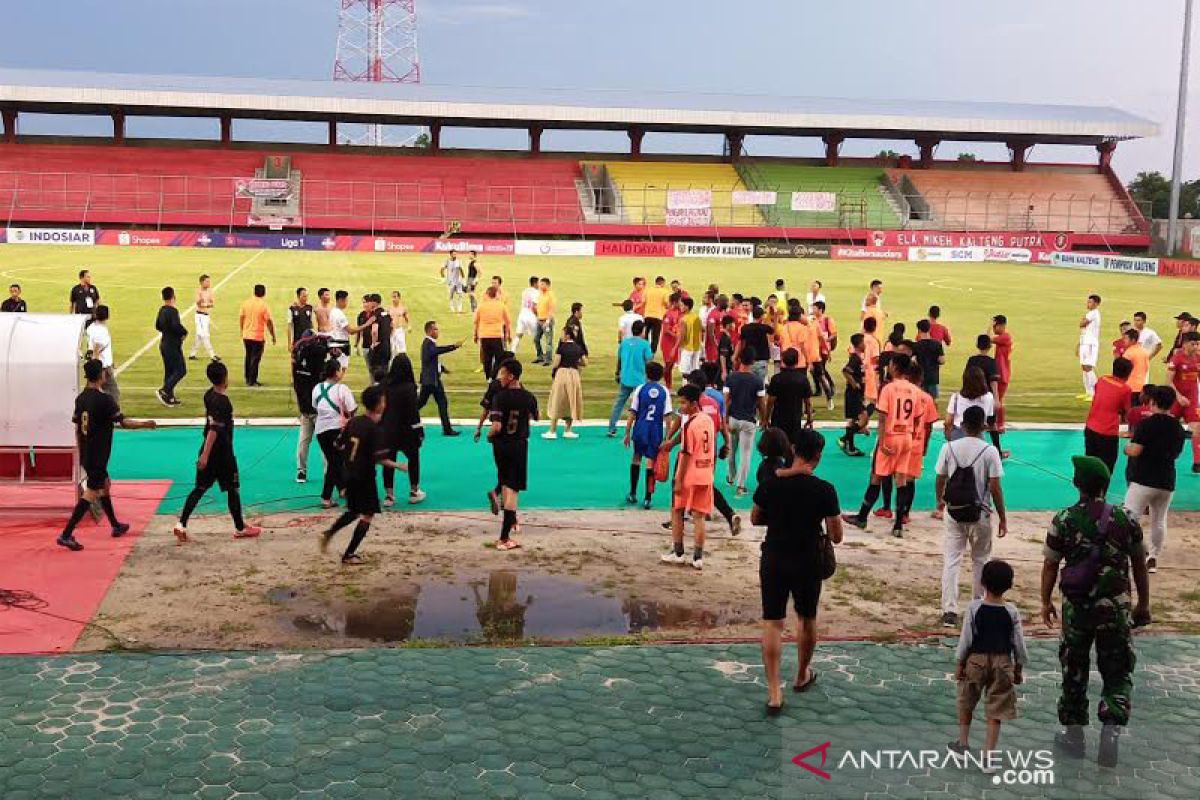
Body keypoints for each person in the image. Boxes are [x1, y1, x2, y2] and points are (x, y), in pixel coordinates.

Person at [1042, 455, 1151, 768]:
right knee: (1117, 672)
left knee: (1073, 671)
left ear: (1078, 484)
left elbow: (1050, 563)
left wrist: (1045, 600)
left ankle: (1074, 737)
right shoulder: (1126, 519)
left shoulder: (1063, 519)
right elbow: (1139, 565)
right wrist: (1143, 603)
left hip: (1077, 610)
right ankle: (1112, 728)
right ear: (1105, 485)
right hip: (1115, 611)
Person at [752, 428, 842, 714]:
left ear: (793, 449)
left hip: (775, 556)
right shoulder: (825, 489)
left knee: (773, 621)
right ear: (818, 456)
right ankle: (802, 673)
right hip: (808, 558)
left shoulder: (770, 484)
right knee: (806, 617)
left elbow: (755, 518)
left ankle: (774, 692)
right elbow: (836, 535)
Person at [56, 360, 156, 551]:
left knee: (105, 485)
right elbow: (123, 422)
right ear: (100, 376)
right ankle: (66, 534)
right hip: (98, 453)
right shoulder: (105, 400)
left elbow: (77, 427)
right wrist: (146, 424)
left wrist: (82, 451)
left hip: (88, 452)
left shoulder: (81, 398)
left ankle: (115, 525)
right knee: (92, 492)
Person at [171, 361, 262, 543]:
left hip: (208, 449)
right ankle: (240, 528)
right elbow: (214, 429)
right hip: (222, 453)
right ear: (225, 377)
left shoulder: (208, 395)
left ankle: (181, 524)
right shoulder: (224, 402)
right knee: (232, 489)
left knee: (200, 488)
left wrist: (204, 453)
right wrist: (205, 455)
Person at [949, 560, 1029, 767]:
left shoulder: (974, 608)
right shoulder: (1012, 612)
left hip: (976, 660)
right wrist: (1018, 668)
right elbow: (1018, 644)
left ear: (982, 582)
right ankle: (989, 756)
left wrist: (959, 664)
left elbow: (966, 639)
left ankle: (963, 743)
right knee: (996, 709)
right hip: (1002, 663)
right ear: (1009, 585)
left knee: (966, 701)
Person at [933, 405, 1007, 626]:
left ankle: (949, 610)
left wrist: (940, 501)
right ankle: (978, 606)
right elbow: (995, 487)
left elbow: (940, 478)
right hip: (981, 513)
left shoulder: (949, 448)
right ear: (983, 426)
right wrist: (1002, 516)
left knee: (952, 559)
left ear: (963, 425)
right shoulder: (990, 451)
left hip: (954, 511)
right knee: (980, 560)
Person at [319, 385, 406, 565]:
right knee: (367, 514)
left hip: (349, 474)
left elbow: (338, 444)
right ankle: (349, 554)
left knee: (354, 510)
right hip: (364, 477)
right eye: (383, 401)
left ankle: (330, 532)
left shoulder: (354, 422)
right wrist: (398, 465)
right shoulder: (374, 430)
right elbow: (379, 459)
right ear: (378, 405)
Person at [845, 354, 923, 537]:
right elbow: (918, 417)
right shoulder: (915, 390)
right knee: (901, 480)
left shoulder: (889, 389)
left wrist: (882, 441)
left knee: (876, 478)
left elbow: (882, 418)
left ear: (895, 366)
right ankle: (897, 525)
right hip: (906, 437)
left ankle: (862, 517)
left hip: (890, 436)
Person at [1124, 384, 1184, 574]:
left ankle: (1129, 554)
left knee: (1129, 518)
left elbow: (1135, 450)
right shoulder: (1178, 428)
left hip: (1143, 479)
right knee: (1159, 520)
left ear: (1152, 402)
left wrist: (1126, 447)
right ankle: (1153, 557)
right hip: (1166, 480)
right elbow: (1176, 454)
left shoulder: (1146, 424)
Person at [661, 384, 715, 571]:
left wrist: (678, 480)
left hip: (689, 475)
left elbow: (685, 454)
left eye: (683, 403)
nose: (681, 407)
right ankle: (698, 557)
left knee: (677, 511)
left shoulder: (689, 424)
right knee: (699, 516)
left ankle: (678, 553)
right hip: (706, 472)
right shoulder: (707, 420)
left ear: (693, 403)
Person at [488, 359, 538, 550]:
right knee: (512, 491)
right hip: (518, 445)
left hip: (500, 446)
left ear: (511, 376)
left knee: (505, 483)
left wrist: (489, 436)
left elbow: (496, 426)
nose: (499, 377)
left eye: (502, 374)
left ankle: (504, 535)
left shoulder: (499, 397)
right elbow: (537, 416)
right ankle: (504, 538)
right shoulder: (529, 397)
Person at [624, 362, 671, 508]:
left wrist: (627, 432)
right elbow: (668, 416)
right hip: (655, 430)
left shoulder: (640, 389)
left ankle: (632, 493)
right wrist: (667, 437)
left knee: (636, 457)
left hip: (641, 428)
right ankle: (648, 498)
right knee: (651, 462)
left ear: (646, 374)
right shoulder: (664, 391)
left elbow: (633, 412)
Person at [381, 354, 426, 506]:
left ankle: (389, 495)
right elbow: (413, 413)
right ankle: (414, 491)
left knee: (388, 460)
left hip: (388, 429)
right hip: (407, 430)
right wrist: (419, 430)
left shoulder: (385, 386)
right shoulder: (409, 388)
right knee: (413, 458)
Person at [724, 349, 765, 496]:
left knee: (732, 450)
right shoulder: (757, 380)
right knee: (745, 454)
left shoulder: (731, 377)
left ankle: (730, 476)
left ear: (739, 360)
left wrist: (725, 419)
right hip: (748, 421)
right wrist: (765, 420)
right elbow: (761, 403)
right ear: (753, 362)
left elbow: (726, 400)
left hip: (733, 419)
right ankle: (740, 486)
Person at [1084, 357, 1133, 475]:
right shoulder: (1125, 389)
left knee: (1090, 464)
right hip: (1107, 433)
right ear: (1128, 373)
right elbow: (1127, 413)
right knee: (1106, 468)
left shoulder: (1102, 380)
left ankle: (1087, 492)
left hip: (1090, 428)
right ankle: (1100, 493)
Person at [291, 330, 329, 484]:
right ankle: (328, 473)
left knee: (303, 442)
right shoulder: (318, 361)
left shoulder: (298, 364)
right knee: (325, 444)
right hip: (318, 411)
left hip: (305, 410)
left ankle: (301, 472)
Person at [607, 320, 652, 436]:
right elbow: (649, 361)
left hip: (625, 378)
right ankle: (641, 428)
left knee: (619, 402)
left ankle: (612, 427)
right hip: (639, 380)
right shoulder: (645, 344)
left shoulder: (624, 343)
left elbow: (619, 360)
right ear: (642, 331)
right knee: (642, 404)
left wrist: (617, 373)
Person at [419, 320, 463, 436]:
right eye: (435, 329)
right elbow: (435, 353)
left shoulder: (430, 343)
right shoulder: (428, 343)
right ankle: (447, 429)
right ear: (430, 331)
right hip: (431, 381)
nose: (437, 331)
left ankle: (447, 429)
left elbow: (432, 360)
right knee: (436, 403)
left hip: (431, 380)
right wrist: (453, 346)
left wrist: (443, 369)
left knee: (423, 403)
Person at [1166, 331, 1200, 473]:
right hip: (1176, 399)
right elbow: (1168, 381)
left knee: (1197, 428)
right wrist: (1178, 396)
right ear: (1185, 344)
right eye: (1193, 344)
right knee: (1167, 429)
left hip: (1192, 399)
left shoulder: (1198, 358)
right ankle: (1164, 458)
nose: (1196, 346)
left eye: (1198, 344)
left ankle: (1197, 462)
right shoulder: (1176, 358)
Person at [544, 326, 587, 439]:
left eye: (563, 334)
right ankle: (568, 430)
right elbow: (585, 362)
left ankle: (552, 430)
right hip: (574, 374)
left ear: (567, 335)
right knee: (571, 400)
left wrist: (553, 371)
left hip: (562, 374)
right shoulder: (578, 348)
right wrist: (575, 362)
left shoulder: (561, 348)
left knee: (557, 400)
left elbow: (556, 363)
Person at [766, 348, 812, 444]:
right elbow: (808, 402)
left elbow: (770, 401)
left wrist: (766, 418)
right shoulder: (802, 379)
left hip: (778, 418)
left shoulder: (776, 379)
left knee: (777, 445)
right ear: (797, 361)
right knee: (792, 446)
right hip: (795, 418)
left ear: (783, 360)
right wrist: (809, 418)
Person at [155, 286, 187, 407]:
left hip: (164, 343)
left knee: (169, 371)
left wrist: (166, 330)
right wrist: (184, 332)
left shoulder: (162, 310)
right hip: (172, 344)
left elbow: (157, 325)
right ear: (173, 296)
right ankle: (164, 390)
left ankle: (170, 397)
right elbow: (176, 325)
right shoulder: (173, 311)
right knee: (181, 370)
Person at [945, 366, 995, 442]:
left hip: (957, 434)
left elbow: (948, 421)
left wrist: (947, 433)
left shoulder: (956, 397)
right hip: (978, 434)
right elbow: (989, 419)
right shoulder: (989, 397)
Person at [239, 284, 276, 387]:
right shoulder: (263, 305)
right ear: (264, 293)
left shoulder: (246, 303)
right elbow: (268, 321)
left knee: (248, 356)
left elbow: (241, 317)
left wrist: (242, 330)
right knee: (255, 359)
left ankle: (247, 377)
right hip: (257, 336)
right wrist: (273, 335)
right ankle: (252, 380)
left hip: (247, 335)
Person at [839, 333, 868, 457]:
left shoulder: (858, 357)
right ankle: (846, 440)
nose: (865, 344)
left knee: (854, 420)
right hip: (853, 394)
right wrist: (854, 384)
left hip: (856, 394)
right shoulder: (855, 358)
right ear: (859, 344)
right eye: (863, 342)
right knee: (859, 418)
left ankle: (849, 445)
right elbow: (846, 371)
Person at [473, 285, 511, 379]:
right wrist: (508, 334)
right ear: (496, 294)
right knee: (499, 358)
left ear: (487, 294)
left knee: (487, 358)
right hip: (497, 335)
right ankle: (494, 376)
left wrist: (475, 334)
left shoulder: (481, 306)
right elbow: (507, 322)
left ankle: (488, 377)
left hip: (484, 335)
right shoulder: (501, 305)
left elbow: (476, 322)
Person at [86, 305, 119, 406]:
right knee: (114, 393)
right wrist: (98, 371)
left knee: (91, 393)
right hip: (102, 369)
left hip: (96, 366)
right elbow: (97, 350)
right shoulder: (102, 332)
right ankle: (114, 417)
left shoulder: (91, 328)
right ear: (107, 316)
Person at [811, 301, 838, 409]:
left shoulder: (827, 320)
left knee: (821, 369)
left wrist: (826, 340)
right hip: (815, 349)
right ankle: (819, 388)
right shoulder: (813, 320)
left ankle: (829, 387)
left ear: (820, 309)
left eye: (815, 308)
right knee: (817, 370)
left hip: (823, 349)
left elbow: (834, 334)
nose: (813, 310)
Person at [736, 306, 773, 384]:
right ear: (761, 316)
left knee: (748, 384)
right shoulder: (764, 328)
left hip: (749, 360)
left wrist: (739, 356)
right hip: (762, 360)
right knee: (760, 384)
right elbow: (773, 331)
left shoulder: (745, 328)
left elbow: (742, 343)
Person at [1078, 294, 1102, 400]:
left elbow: (1082, 323)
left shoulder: (1094, 313)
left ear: (1096, 304)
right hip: (1085, 342)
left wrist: (1083, 321)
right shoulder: (1090, 313)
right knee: (1084, 367)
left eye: (1090, 302)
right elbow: (1082, 324)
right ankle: (1088, 392)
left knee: (1088, 367)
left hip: (1091, 344)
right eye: (1088, 302)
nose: (1088, 304)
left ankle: (1095, 392)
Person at [913, 319, 946, 399]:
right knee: (932, 403)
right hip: (933, 377)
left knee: (920, 402)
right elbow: (942, 360)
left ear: (919, 330)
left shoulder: (916, 345)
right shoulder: (937, 344)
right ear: (929, 329)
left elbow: (912, 360)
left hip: (920, 378)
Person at [189, 274, 217, 361]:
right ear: (201, 282)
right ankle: (212, 355)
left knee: (199, 336)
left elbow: (212, 303)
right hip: (200, 316)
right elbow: (199, 303)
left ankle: (192, 354)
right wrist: (206, 304)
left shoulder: (210, 291)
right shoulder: (198, 291)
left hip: (206, 316)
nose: (209, 283)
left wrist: (205, 304)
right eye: (207, 281)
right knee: (205, 335)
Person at [512, 276, 540, 355]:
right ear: (535, 283)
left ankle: (512, 351)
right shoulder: (536, 292)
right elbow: (534, 306)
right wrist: (538, 316)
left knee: (518, 334)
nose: (539, 285)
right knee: (537, 335)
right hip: (530, 315)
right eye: (538, 283)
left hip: (522, 314)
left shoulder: (525, 291)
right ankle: (539, 354)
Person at [660, 294, 682, 389]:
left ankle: (669, 386)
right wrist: (677, 336)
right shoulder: (669, 314)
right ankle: (664, 384)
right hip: (668, 343)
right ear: (674, 302)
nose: (681, 303)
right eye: (679, 301)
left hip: (675, 343)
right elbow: (666, 330)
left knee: (671, 365)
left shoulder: (680, 312)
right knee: (668, 365)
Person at [533, 277, 557, 366]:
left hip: (547, 321)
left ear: (547, 285)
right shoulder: (540, 294)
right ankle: (540, 356)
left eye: (542, 284)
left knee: (548, 341)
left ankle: (548, 359)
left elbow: (551, 309)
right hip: (539, 320)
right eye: (540, 284)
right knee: (536, 339)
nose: (540, 285)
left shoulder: (550, 295)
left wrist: (548, 320)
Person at [677, 297, 703, 377]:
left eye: (681, 305)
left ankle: (686, 387)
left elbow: (682, 336)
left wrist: (675, 348)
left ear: (687, 307)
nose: (680, 307)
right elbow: (701, 331)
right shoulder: (697, 318)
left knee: (685, 372)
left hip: (687, 348)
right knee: (694, 371)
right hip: (697, 348)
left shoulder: (683, 320)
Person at [327, 290, 353, 367]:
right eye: (346, 300)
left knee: (335, 368)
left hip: (334, 342)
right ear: (341, 300)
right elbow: (351, 331)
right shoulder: (340, 315)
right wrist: (366, 324)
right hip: (341, 344)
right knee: (341, 368)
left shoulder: (333, 311)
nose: (347, 302)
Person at [1120, 329, 1150, 397]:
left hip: (1129, 386)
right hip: (1141, 387)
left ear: (1133, 340)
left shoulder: (1128, 353)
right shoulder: (1144, 351)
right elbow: (1146, 368)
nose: (1124, 340)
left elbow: (1122, 371)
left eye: (1126, 338)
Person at [643, 276, 669, 353]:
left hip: (647, 315)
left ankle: (644, 350)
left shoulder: (648, 290)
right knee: (655, 336)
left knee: (645, 334)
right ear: (662, 283)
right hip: (658, 316)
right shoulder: (665, 292)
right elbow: (666, 303)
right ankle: (652, 352)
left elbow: (644, 301)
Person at [387, 290, 410, 356]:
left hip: (399, 330)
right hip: (391, 331)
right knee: (392, 349)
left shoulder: (403, 308)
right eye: (392, 297)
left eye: (395, 297)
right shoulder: (389, 309)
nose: (393, 299)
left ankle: (402, 363)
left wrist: (409, 326)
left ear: (399, 298)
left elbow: (407, 318)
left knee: (402, 349)